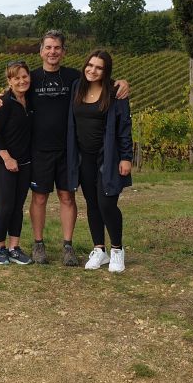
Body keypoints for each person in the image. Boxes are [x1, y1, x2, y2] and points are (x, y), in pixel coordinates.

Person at [0, 30, 129, 266]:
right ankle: (38, 244)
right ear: (41, 51)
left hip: (68, 151)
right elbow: (15, 90)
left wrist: (121, 83)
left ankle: (68, 246)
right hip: (38, 151)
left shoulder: (75, 79)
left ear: (63, 51)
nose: (52, 52)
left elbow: (102, 82)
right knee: (40, 198)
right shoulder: (32, 78)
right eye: (48, 47)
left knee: (67, 197)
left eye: (57, 48)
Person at [66, 50, 133, 272]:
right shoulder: (77, 86)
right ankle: (99, 250)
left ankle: (117, 250)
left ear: (106, 71)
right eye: (90, 65)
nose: (92, 70)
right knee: (92, 204)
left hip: (108, 157)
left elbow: (124, 126)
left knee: (107, 203)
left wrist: (126, 157)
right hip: (83, 157)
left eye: (99, 67)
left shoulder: (115, 92)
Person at [0, 61, 34, 265]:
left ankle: (15, 247)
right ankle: (0, 248)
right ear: (9, 81)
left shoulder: (31, 100)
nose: (22, 81)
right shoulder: (3, 102)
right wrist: (7, 158)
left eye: (25, 76)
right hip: (2, 162)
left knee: (18, 207)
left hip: (25, 163)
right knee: (5, 206)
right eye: (17, 78)